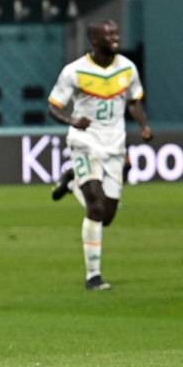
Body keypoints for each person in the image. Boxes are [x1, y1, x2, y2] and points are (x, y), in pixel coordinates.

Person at [46, 20, 152, 290]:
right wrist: (72, 120)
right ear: (94, 40)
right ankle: (93, 276)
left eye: (116, 33)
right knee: (95, 207)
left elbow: (133, 101)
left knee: (107, 215)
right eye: (109, 35)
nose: (115, 38)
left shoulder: (127, 68)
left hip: (114, 145)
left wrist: (143, 125)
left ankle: (71, 183)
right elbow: (53, 106)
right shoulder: (75, 71)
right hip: (85, 142)